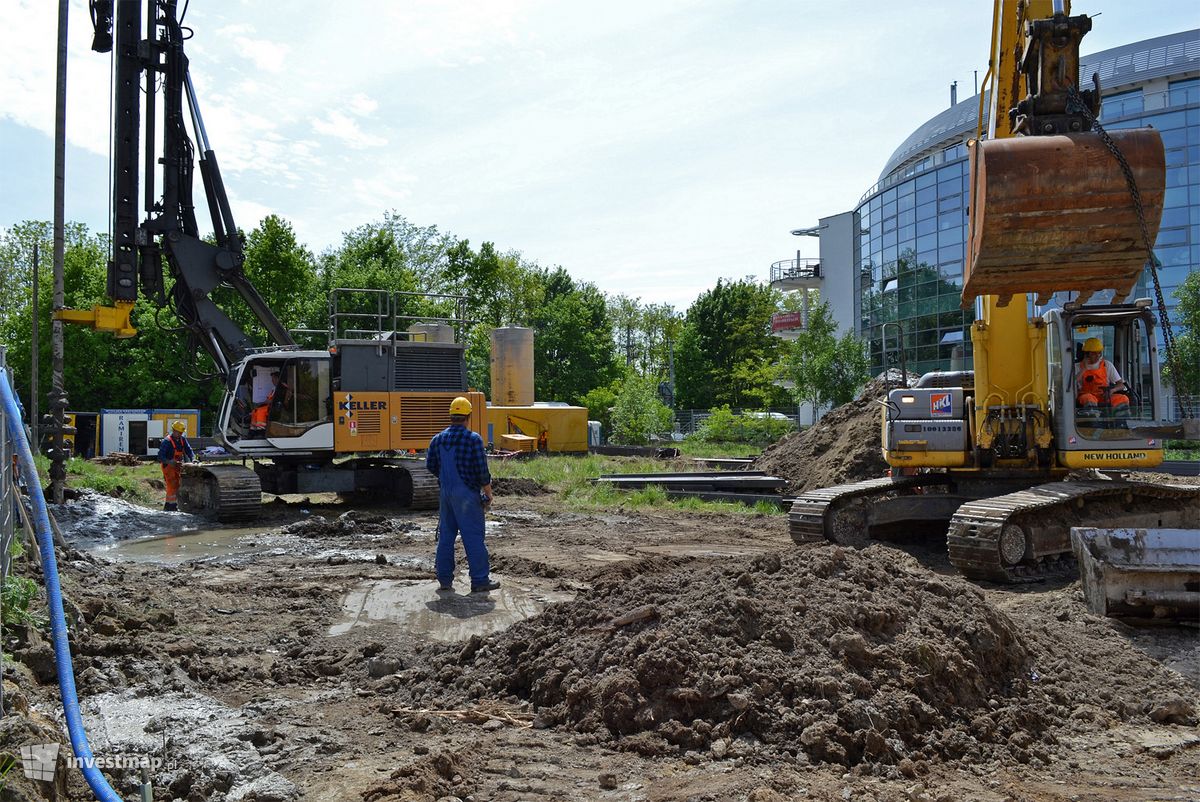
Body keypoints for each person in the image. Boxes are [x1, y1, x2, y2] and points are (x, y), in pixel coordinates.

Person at [425, 396, 498, 594]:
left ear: (451, 416)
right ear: (468, 416)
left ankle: (445, 580)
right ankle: (480, 580)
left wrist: (445, 480)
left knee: (446, 537)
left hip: (446, 495)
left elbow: (430, 465)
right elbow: (482, 471)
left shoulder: (437, 439)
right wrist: (488, 493)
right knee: (473, 537)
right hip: (467, 495)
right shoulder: (473, 439)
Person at [1076, 337, 1130, 418]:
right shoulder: (1077, 367)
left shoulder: (1107, 365)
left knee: (1122, 398)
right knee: (1088, 398)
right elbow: (1070, 386)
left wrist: (1112, 390)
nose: (1097, 356)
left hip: (1105, 396)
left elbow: (1121, 385)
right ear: (1086, 354)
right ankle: (1092, 422)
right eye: (1093, 353)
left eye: (1099, 353)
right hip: (1088, 396)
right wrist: (1084, 369)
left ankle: (1121, 424)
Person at [158, 420, 195, 511]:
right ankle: (171, 507)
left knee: (178, 485)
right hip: (168, 467)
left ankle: (171, 505)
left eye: (181, 432)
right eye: (179, 432)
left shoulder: (182, 439)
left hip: (177, 466)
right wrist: (170, 462)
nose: (180, 434)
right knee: (172, 486)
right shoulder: (167, 441)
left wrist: (193, 458)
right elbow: (160, 457)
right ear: (174, 430)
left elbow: (188, 450)